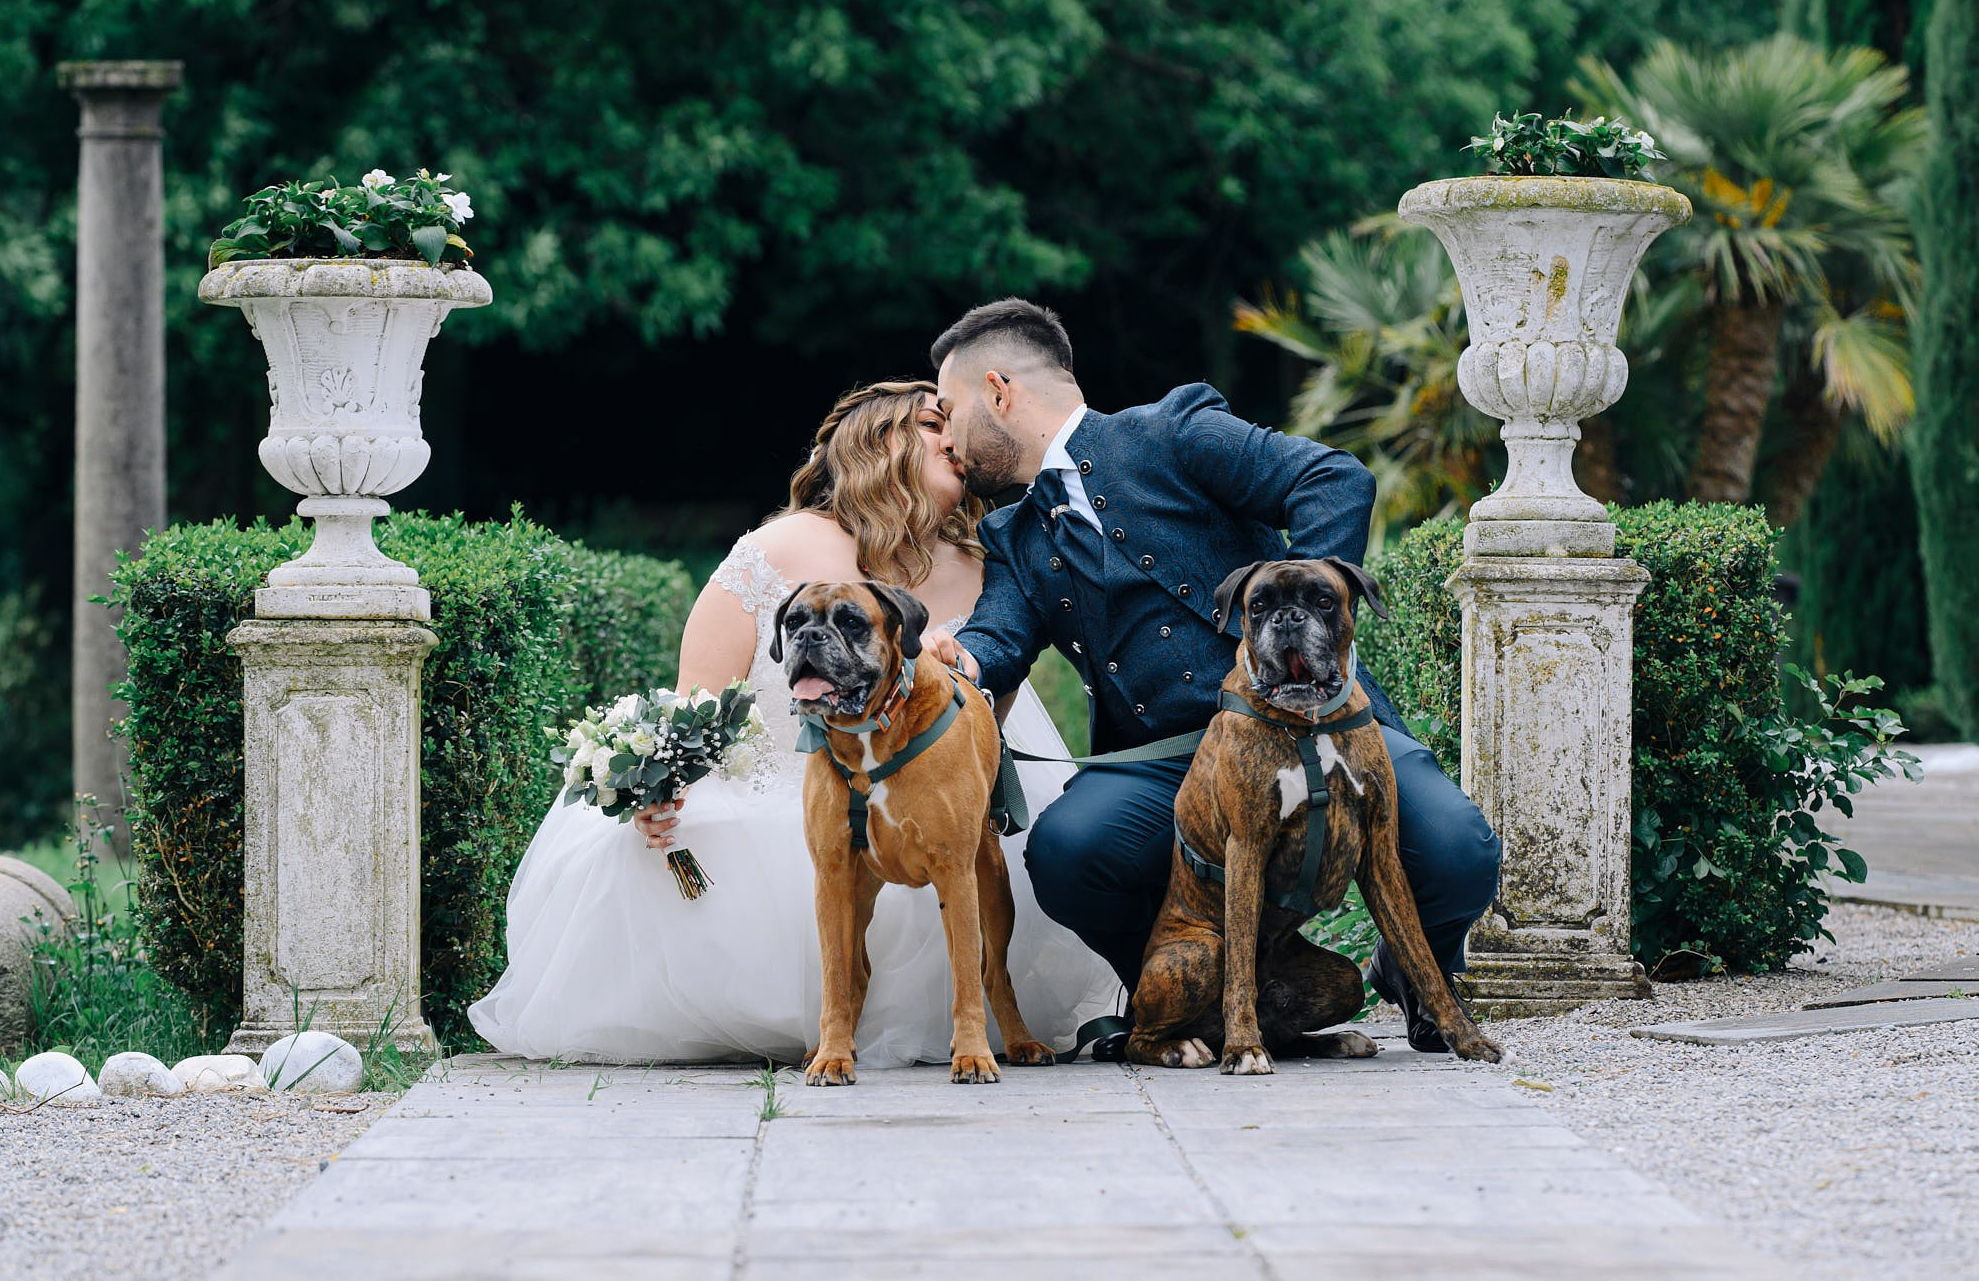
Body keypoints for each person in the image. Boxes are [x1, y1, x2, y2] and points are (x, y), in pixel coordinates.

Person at [468, 380, 1120, 1065]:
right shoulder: (775, 548)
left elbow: (986, 730)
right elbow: (695, 707)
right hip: (782, 810)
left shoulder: (984, 572)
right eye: (935, 423)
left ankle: (969, 1005)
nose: (955, 438)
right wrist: (659, 787)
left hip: (927, 821)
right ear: (882, 438)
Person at [922, 299, 1502, 1054]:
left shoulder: (1175, 428)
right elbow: (996, 638)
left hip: (1316, 722)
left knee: (1459, 849)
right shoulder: (1013, 534)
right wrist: (955, 656)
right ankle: (1179, 1006)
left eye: (949, 408)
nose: (950, 438)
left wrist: (1307, 629)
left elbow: (1334, 479)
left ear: (998, 391)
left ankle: (1414, 967)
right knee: (1068, 850)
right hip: (1168, 768)